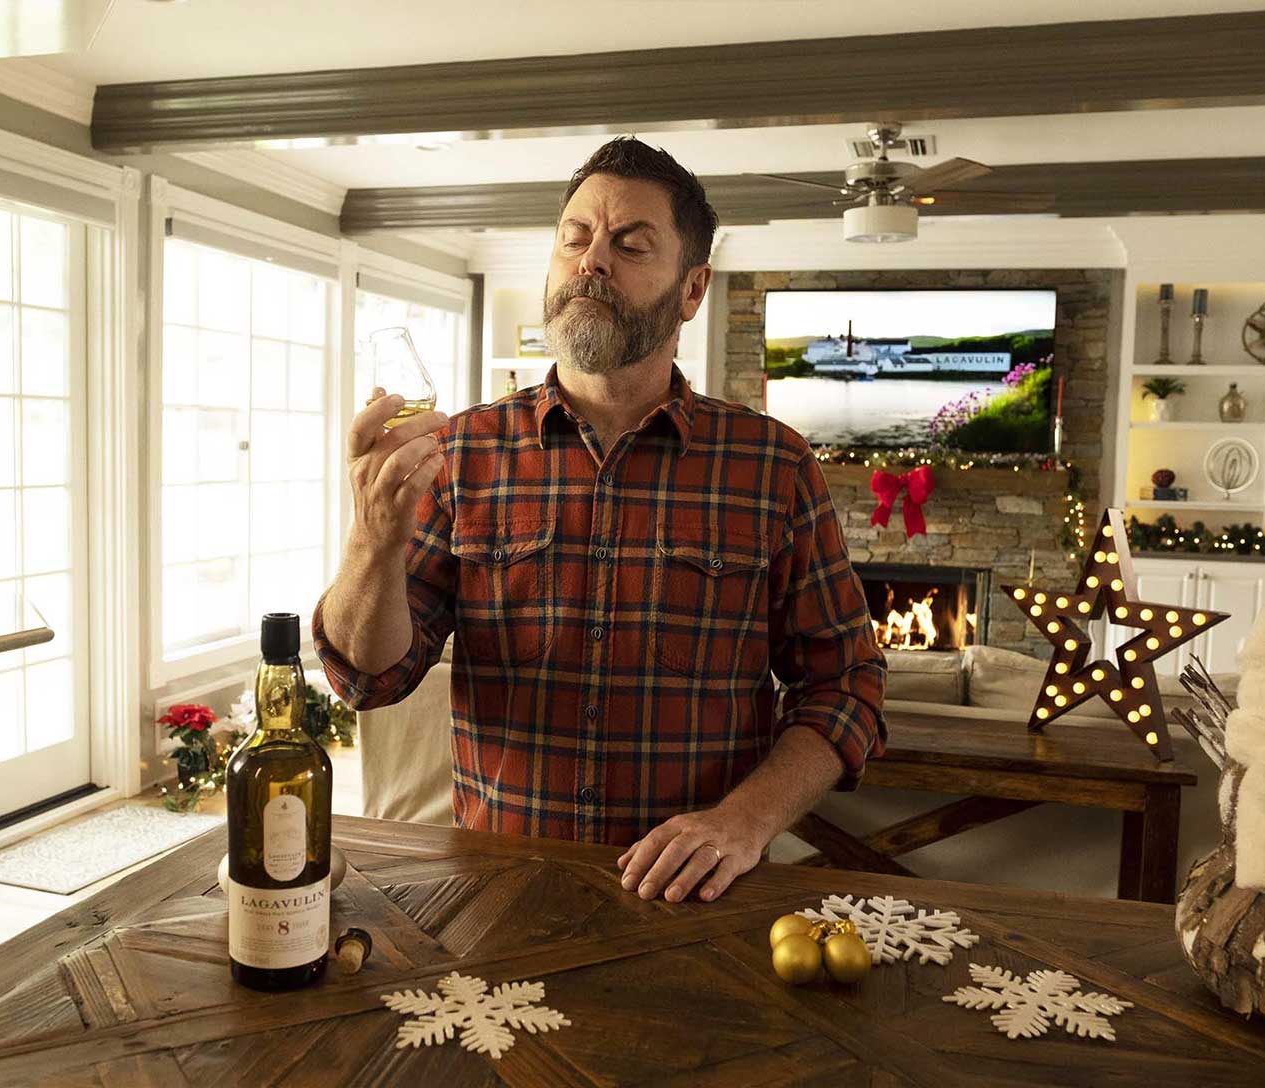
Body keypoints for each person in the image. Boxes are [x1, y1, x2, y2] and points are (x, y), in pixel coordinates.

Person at [313, 136, 886, 905]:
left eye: (630, 244)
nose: (592, 262)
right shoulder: (463, 452)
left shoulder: (772, 466)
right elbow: (367, 677)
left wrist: (743, 822)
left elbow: (845, 684)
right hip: (499, 894)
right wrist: (371, 542)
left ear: (693, 289)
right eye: (574, 238)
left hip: (696, 904)